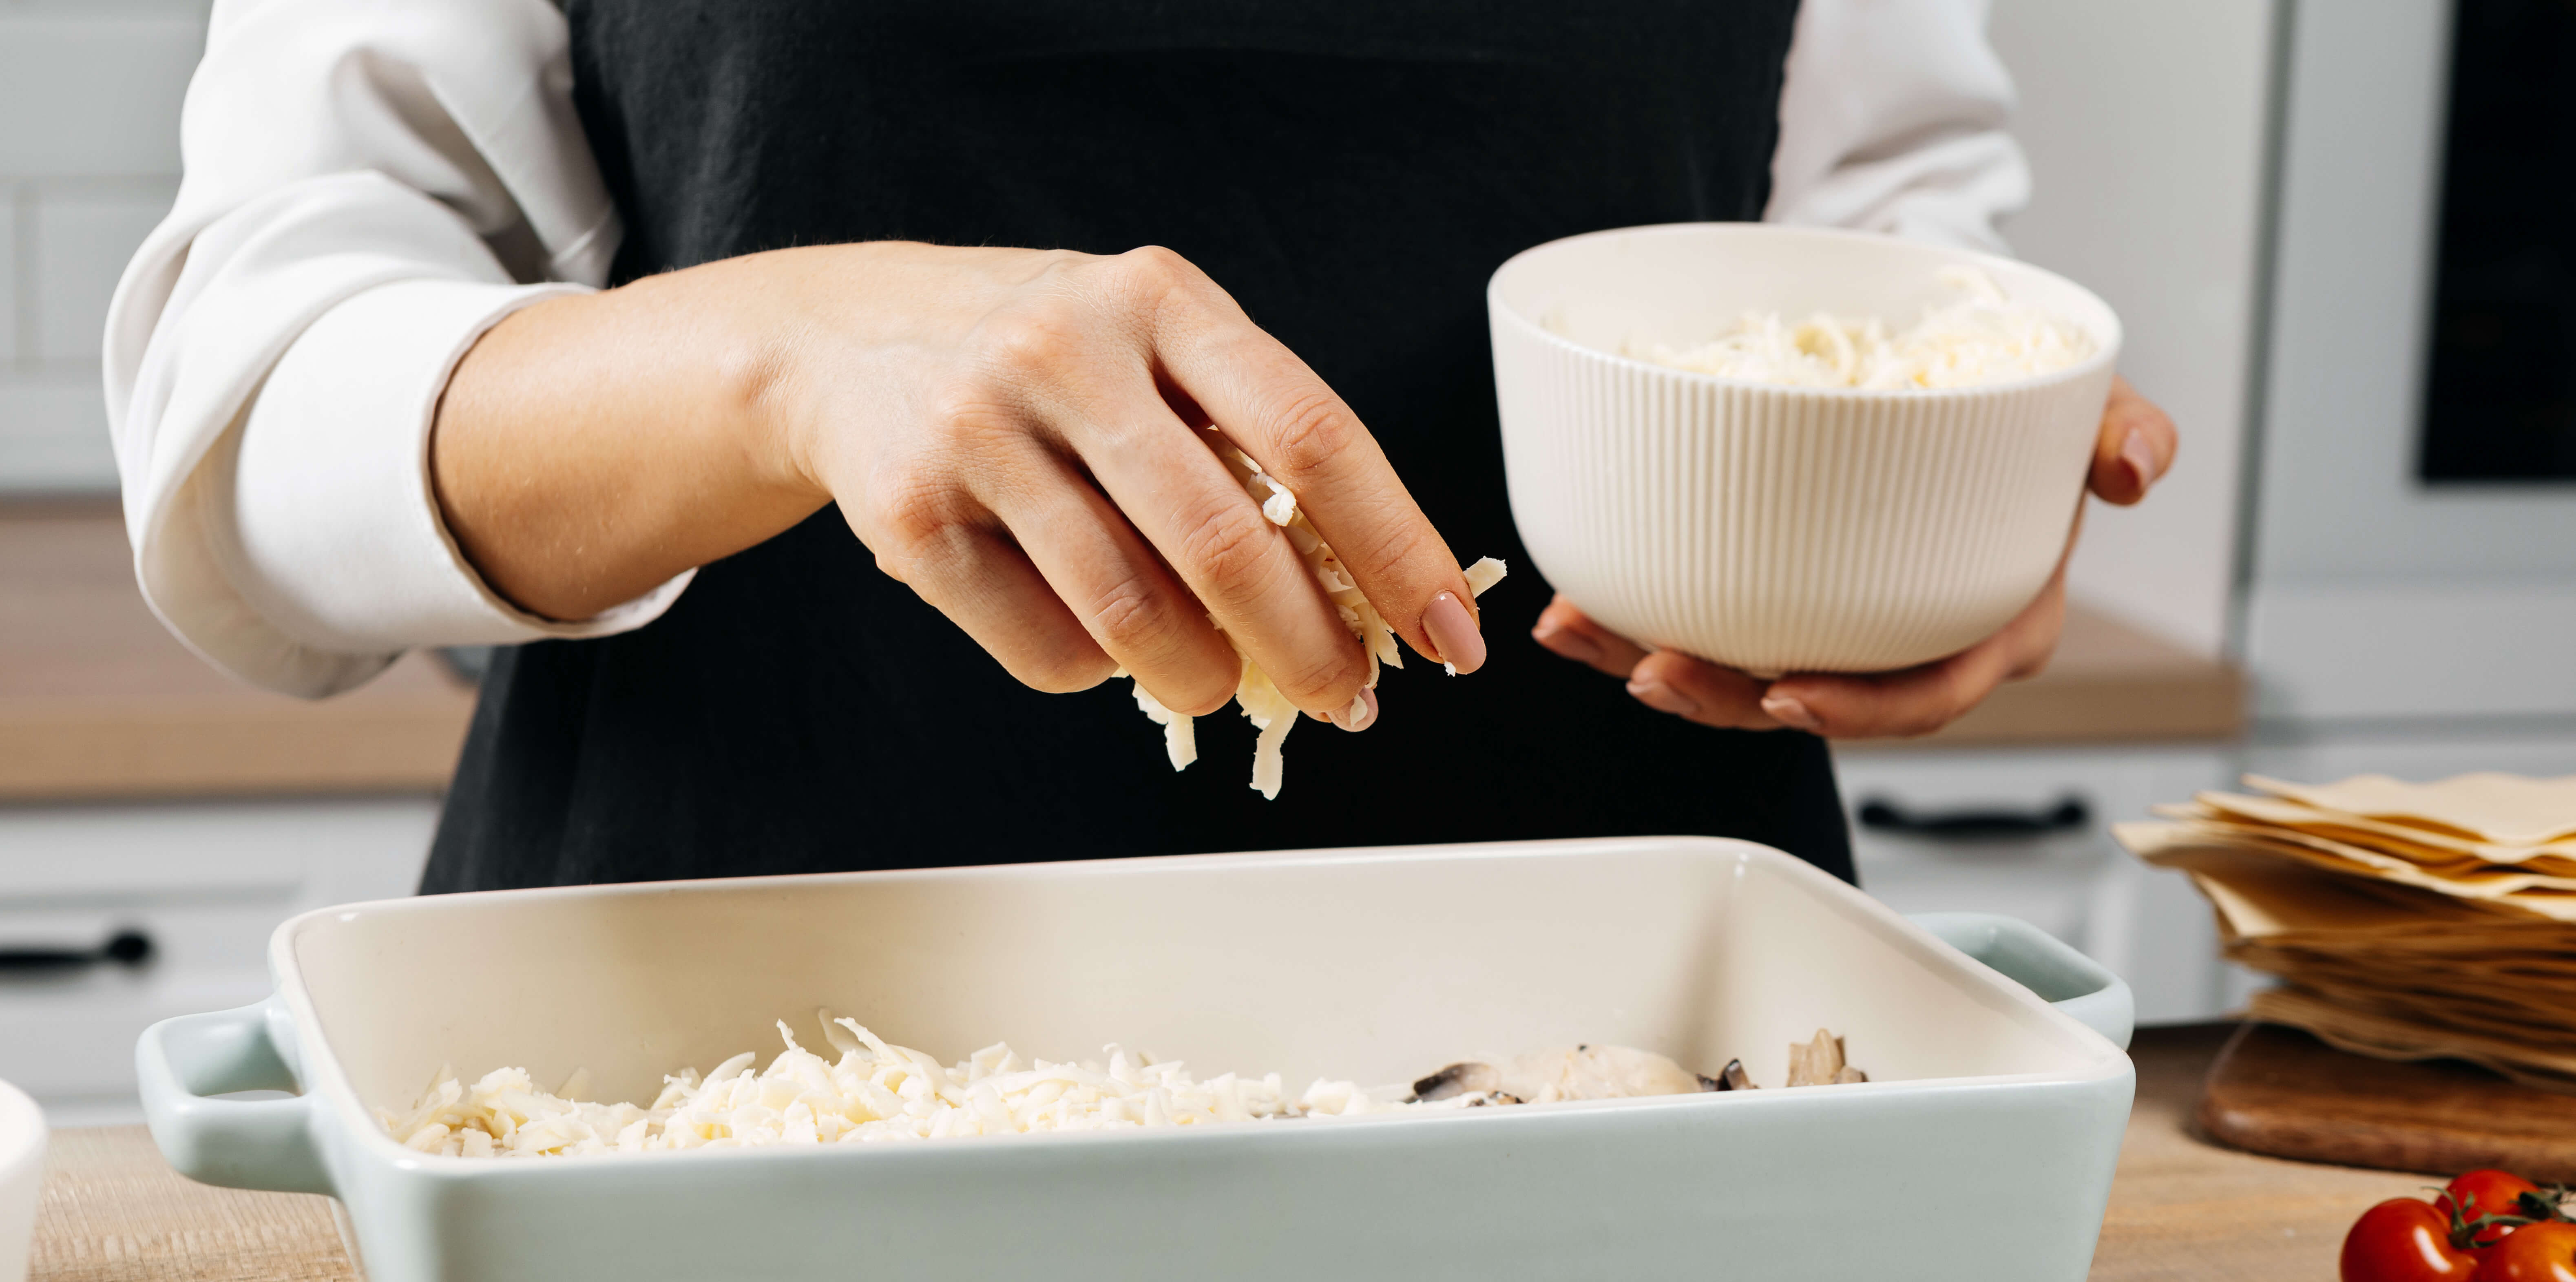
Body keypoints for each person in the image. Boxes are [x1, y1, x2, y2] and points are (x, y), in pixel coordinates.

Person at [108, 0, 2173, 893]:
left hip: (1635, 1039)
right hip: (723, 1046)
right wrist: (774, 353)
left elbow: (1879, 252)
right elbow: (255, 441)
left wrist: (1931, 485)